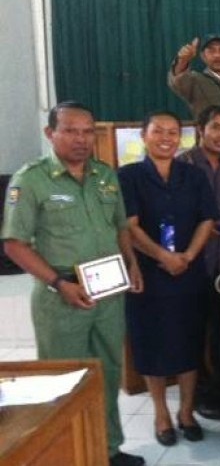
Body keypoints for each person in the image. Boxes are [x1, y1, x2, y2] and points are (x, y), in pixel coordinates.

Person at [1, 102, 146, 466]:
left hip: (108, 291)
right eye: (71, 130)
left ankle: (107, 449)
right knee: (63, 379)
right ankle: (69, 456)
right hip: (61, 294)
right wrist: (58, 283)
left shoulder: (105, 174)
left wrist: (132, 263)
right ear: (51, 133)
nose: (81, 139)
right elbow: (14, 244)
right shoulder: (30, 179)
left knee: (109, 371)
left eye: (87, 131)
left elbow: (120, 226)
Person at [118, 111, 219, 447]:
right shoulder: (129, 175)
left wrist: (188, 256)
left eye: (173, 132)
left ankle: (186, 411)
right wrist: (163, 256)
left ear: (182, 137)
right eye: (158, 131)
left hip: (189, 273)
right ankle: (161, 414)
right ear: (143, 135)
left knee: (189, 342)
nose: (166, 137)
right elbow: (129, 226)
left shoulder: (193, 175)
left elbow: (207, 219)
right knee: (152, 345)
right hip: (147, 275)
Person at [177, 105, 220, 419]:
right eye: (216, 127)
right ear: (200, 129)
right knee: (192, 331)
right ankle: (198, 395)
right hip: (190, 262)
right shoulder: (182, 165)